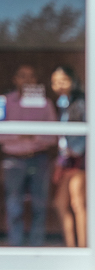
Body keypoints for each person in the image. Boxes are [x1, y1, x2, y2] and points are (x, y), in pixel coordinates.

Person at [0, 64, 57, 247]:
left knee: (39, 204)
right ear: (15, 79)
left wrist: (34, 137)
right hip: (13, 159)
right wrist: (21, 135)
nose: (27, 80)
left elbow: (54, 135)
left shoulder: (45, 103)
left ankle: (36, 247)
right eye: (23, 76)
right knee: (13, 204)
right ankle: (16, 246)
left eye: (31, 76)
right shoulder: (5, 102)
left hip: (38, 158)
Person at [50, 65, 87, 248]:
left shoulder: (80, 102)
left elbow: (84, 132)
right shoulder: (60, 103)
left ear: (73, 81)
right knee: (60, 203)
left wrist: (74, 151)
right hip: (65, 158)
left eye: (63, 81)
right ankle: (71, 246)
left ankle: (83, 246)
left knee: (77, 201)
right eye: (55, 82)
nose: (59, 85)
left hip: (78, 158)